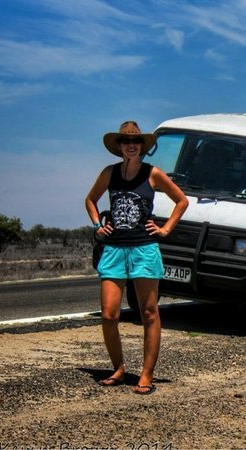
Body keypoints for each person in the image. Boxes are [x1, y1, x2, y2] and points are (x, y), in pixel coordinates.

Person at [84, 120, 189, 395]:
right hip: (114, 249)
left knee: (149, 312)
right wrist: (98, 226)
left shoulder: (152, 173)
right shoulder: (109, 173)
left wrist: (165, 228)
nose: (131, 145)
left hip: (144, 248)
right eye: (125, 141)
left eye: (136, 141)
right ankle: (118, 369)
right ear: (119, 146)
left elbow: (182, 200)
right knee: (109, 314)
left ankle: (146, 375)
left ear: (142, 146)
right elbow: (90, 200)